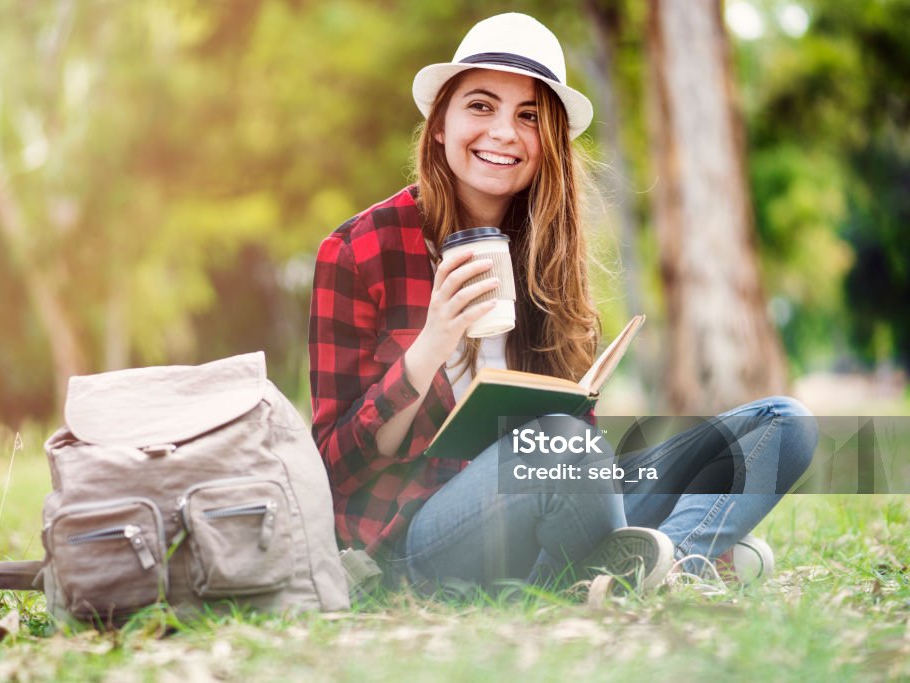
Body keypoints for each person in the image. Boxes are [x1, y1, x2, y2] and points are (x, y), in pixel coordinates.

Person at [308, 13, 817, 597]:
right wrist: (432, 345)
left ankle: (666, 567)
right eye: (480, 106)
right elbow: (334, 466)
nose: (503, 132)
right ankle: (665, 553)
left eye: (528, 116)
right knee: (562, 447)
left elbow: (578, 446)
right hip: (426, 537)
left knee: (783, 424)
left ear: (547, 142)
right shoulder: (358, 250)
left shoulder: (546, 250)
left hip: (558, 493)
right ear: (439, 124)